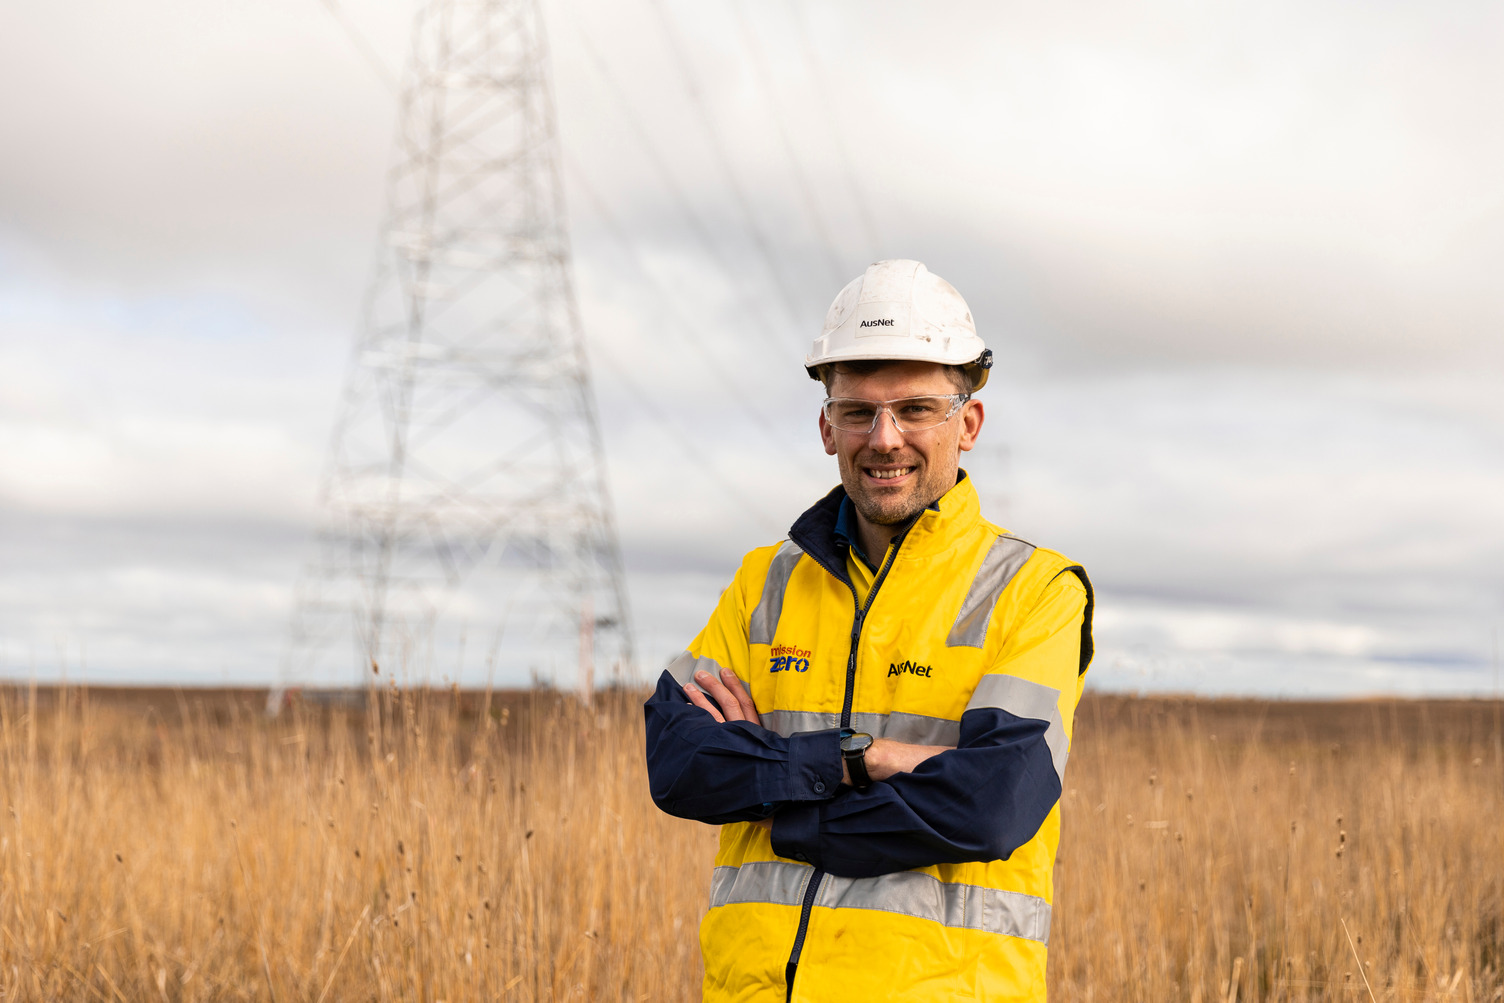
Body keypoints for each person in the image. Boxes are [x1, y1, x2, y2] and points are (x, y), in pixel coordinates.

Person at [644, 259, 1094, 1002]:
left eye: (916, 408)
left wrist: (788, 799)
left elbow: (993, 802)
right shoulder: (767, 581)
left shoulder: (1033, 590)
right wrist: (874, 762)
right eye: (858, 411)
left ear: (968, 423)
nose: (885, 438)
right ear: (828, 427)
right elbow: (678, 760)